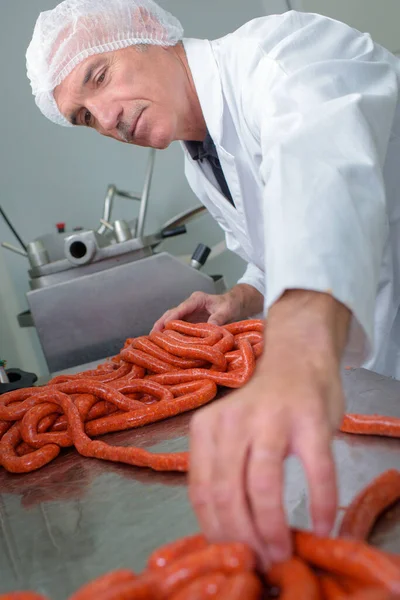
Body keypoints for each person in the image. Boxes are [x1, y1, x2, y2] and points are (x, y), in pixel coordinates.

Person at [26, 0, 400, 565]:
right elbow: (276, 253)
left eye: (98, 78)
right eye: (83, 117)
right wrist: (240, 296)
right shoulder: (197, 158)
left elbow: (325, 180)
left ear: (149, 30)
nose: (104, 119)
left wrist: (298, 354)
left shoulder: (283, 54)